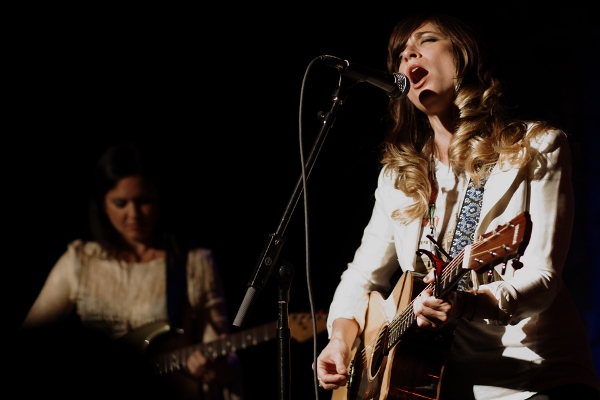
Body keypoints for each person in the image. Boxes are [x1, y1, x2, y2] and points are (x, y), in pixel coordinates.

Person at [314, 12, 600, 400]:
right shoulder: (399, 178)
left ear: (464, 57)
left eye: (426, 40)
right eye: (399, 54)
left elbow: (543, 278)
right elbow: (360, 277)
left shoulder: (537, 147)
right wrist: (340, 340)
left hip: (534, 378)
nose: (408, 54)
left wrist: (466, 303)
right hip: (441, 385)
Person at [19, 142, 244, 400]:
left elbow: (224, 355)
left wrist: (215, 368)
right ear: (103, 205)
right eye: (120, 203)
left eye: (143, 201)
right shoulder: (80, 262)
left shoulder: (195, 263)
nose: (133, 214)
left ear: (160, 198)